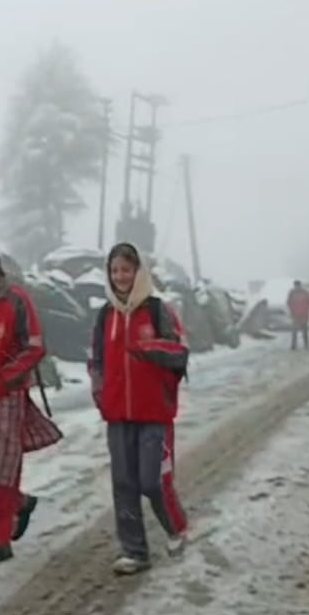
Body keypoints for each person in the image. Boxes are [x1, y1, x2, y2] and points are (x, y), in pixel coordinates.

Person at [0, 239, 63, 568]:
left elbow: (35, 346)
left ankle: (0, 542)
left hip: (7, 396)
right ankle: (21, 503)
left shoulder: (17, 301)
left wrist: (9, 375)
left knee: (1, 473)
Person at [89, 242, 190, 576]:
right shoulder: (106, 315)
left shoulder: (159, 310)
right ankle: (135, 551)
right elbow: (97, 362)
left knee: (153, 480)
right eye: (115, 270)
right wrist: (101, 394)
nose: (120, 276)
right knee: (124, 483)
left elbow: (179, 352)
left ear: (139, 272)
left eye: (126, 270)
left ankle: (176, 527)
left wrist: (149, 348)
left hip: (154, 414)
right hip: (118, 415)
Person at [286, 280, 309, 351]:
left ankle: (306, 345)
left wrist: (306, 311)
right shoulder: (292, 293)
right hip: (295, 315)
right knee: (295, 331)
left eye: (297, 285)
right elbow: (289, 303)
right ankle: (294, 345)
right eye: (296, 285)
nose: (297, 287)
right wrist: (291, 312)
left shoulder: (304, 293)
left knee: (304, 331)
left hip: (303, 314)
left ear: (300, 285)